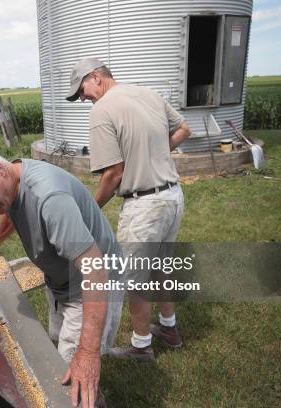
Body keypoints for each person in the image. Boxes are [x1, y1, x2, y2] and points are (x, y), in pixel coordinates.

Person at [0, 146, 122, 408]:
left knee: (69, 379)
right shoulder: (14, 179)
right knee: (61, 363)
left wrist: (88, 352)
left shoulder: (50, 198)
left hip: (91, 284)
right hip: (63, 281)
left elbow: (95, 269)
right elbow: (11, 208)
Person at [65, 58, 191, 361]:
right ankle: (169, 329)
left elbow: (114, 174)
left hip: (145, 207)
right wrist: (156, 153)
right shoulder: (148, 93)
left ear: (96, 77)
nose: (82, 98)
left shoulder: (103, 109)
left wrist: (90, 209)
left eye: (81, 90)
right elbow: (185, 129)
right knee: (161, 267)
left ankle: (141, 344)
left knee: (134, 280)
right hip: (173, 198)